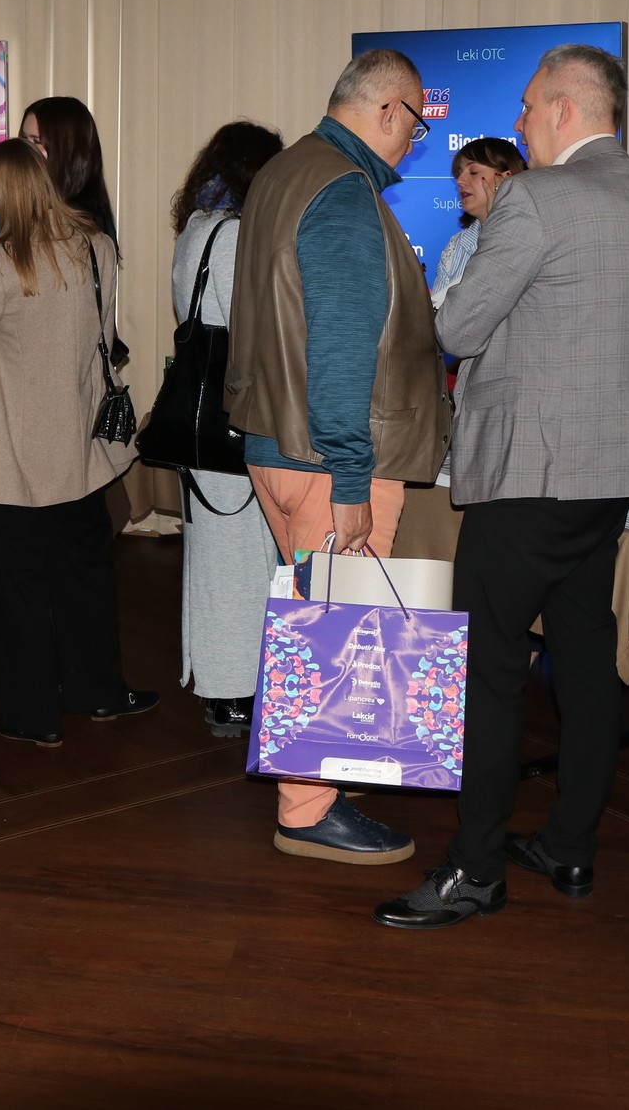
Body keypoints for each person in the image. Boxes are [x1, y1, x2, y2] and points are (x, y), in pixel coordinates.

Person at [374, 45, 629, 927]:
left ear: (562, 108)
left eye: (525, 105)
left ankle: (475, 870)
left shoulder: (537, 198)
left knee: (489, 669)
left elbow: (460, 326)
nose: (517, 122)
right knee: (586, 660)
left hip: (530, 476)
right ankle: (571, 844)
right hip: (612, 475)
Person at [224, 48, 451, 864]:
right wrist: (352, 475)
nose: (413, 144)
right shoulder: (344, 191)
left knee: (315, 617)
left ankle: (320, 779)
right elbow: (343, 348)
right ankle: (308, 810)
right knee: (340, 629)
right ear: (388, 109)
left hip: (278, 442)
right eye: (415, 126)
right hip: (330, 459)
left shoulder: (283, 171)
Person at [0, 139, 153, 746]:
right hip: (81, 448)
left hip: (10, 454)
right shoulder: (96, 248)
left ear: (1, 193)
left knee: (19, 587)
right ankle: (98, 691)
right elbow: (103, 344)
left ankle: (32, 716)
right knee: (86, 575)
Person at [168, 120, 284, 736]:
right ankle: (233, 692)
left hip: (200, 421)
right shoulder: (237, 235)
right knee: (237, 560)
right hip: (234, 420)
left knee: (215, 555)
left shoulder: (197, 226)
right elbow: (254, 333)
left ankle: (221, 682)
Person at [429, 135, 525, 305]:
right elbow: (438, 312)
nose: (460, 181)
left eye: (473, 172)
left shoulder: (531, 236)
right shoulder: (457, 245)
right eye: (458, 174)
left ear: (506, 178)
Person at [21, 96, 117, 244]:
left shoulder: (80, 220)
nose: (25, 149)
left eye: (37, 141)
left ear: (66, 150)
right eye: (24, 139)